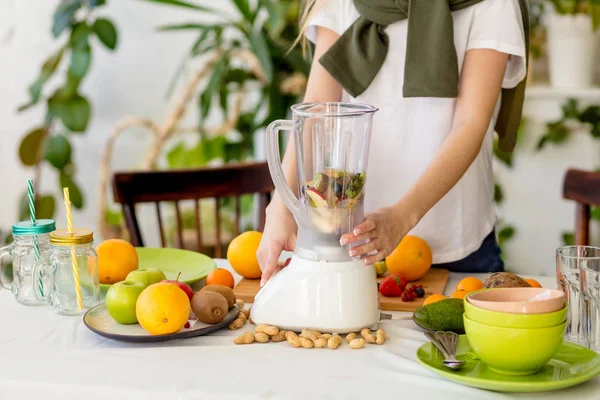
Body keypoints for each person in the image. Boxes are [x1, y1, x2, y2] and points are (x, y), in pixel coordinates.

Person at [257, 0, 529, 286]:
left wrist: (401, 217)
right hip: (355, 244)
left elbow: (470, 123)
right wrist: (281, 207)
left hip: (459, 249)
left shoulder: (493, 4)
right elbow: (315, 114)